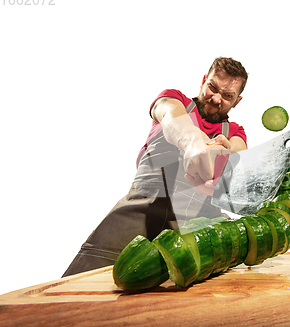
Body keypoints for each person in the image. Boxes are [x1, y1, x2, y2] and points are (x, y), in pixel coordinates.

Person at [62, 57, 249, 277]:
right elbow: (172, 118)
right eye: (212, 87)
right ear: (203, 81)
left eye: (228, 96)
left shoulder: (235, 132)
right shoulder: (174, 99)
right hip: (142, 207)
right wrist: (193, 143)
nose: (216, 98)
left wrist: (224, 159)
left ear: (237, 101)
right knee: (82, 282)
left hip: (200, 222)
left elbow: (237, 155)